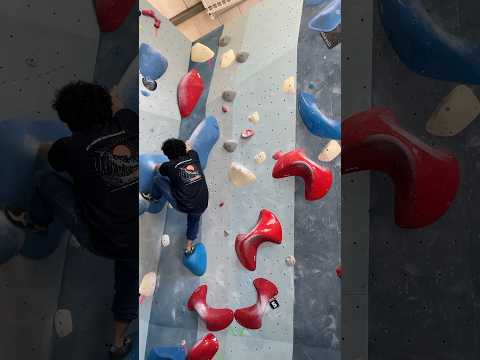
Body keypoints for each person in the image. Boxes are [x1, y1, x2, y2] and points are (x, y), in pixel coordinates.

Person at [4, 81, 138, 359]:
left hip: (99, 239)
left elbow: (45, 152)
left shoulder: (70, 147)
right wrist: (114, 100)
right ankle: (117, 343)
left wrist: (30, 146)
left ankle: (38, 221)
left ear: (69, 122)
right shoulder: (128, 123)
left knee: (45, 181)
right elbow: (120, 109)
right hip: (136, 235)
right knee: (127, 276)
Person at [142, 138, 209, 254]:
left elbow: (158, 169)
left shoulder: (169, 166)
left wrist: (158, 165)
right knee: (194, 219)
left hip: (182, 205)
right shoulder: (194, 156)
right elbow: (190, 148)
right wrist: (186, 144)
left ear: (168, 156)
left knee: (158, 179)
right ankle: (189, 246)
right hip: (202, 202)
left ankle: (154, 197)